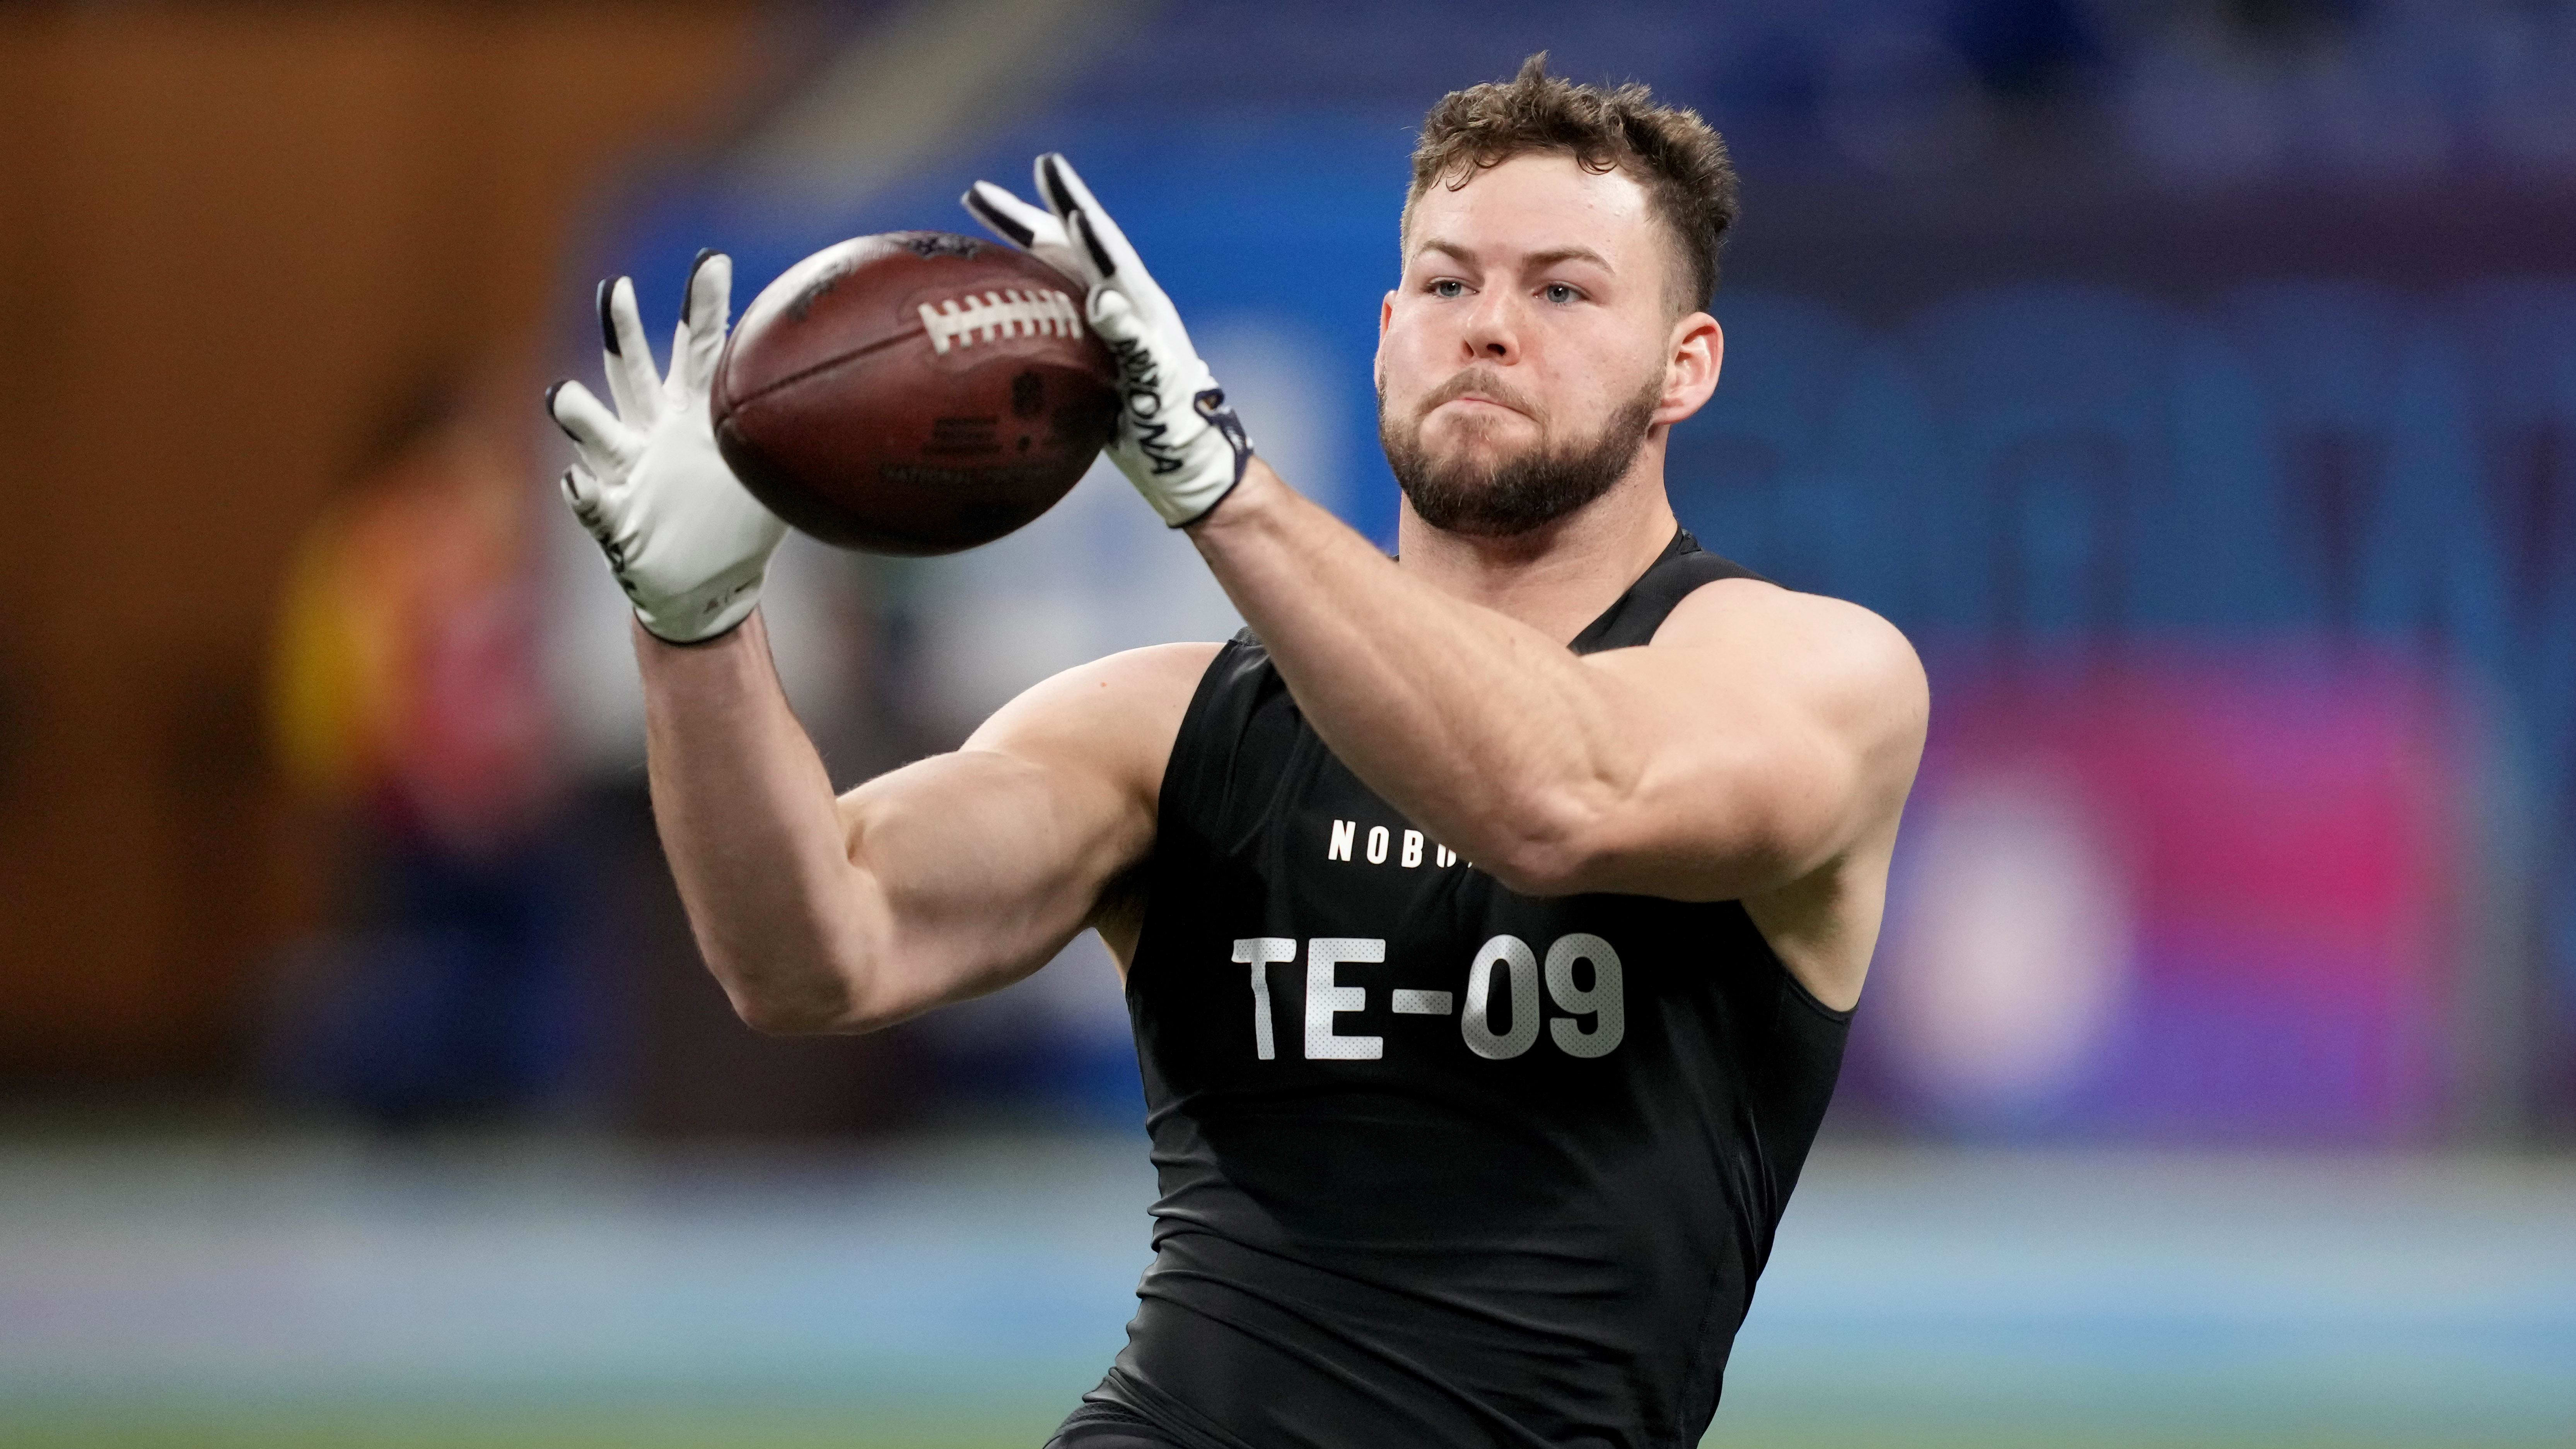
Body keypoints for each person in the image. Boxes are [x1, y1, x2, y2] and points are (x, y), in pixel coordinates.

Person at [547, 54, 1926, 1449]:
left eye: (1563, 290)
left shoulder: (1810, 670)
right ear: (1387, 332)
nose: (1490, 329)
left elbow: (1564, 795)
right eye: (1448, 286)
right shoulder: (1170, 726)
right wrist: (697, 629)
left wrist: (1220, 485)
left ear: (1684, 365)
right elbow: (811, 952)